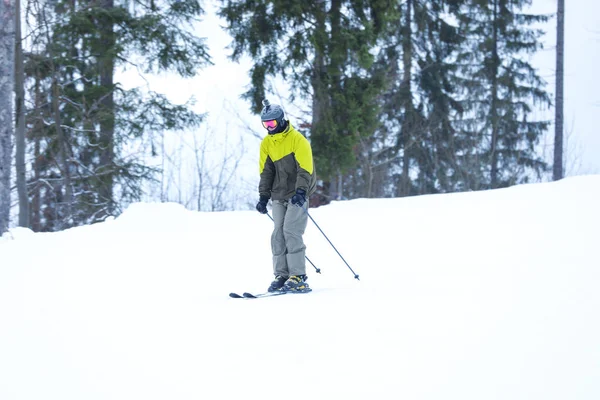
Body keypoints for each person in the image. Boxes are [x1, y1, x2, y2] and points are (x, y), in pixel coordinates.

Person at [255, 99, 317, 293]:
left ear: (281, 121)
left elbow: (305, 169)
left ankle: (298, 276)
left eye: (272, 123)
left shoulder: (298, 140)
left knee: (291, 230)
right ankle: (282, 275)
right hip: (278, 194)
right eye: (266, 124)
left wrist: (301, 191)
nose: (269, 127)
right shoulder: (267, 143)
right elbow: (266, 172)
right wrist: (263, 197)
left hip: (298, 192)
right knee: (277, 234)